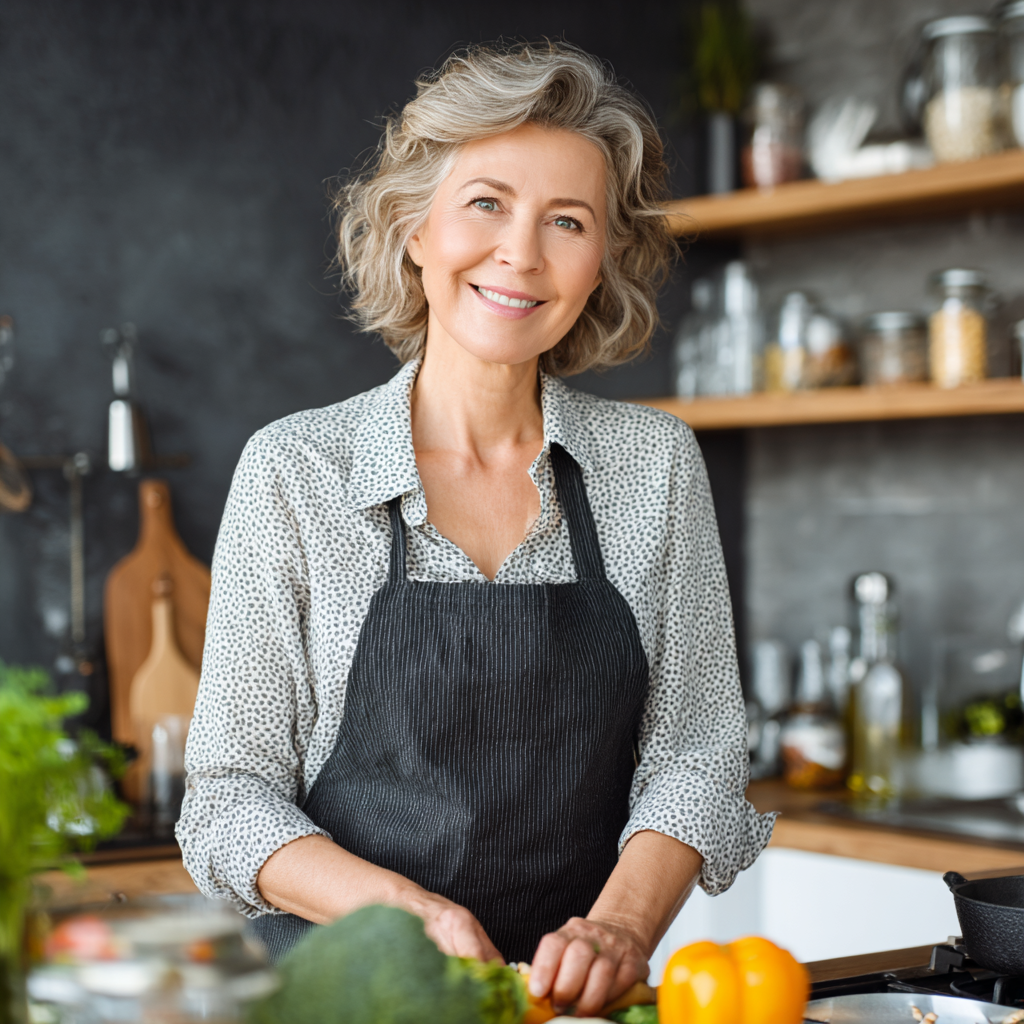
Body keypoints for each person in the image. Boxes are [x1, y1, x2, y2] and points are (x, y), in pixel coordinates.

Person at [177, 41, 774, 1017]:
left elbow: (698, 751)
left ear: (601, 260)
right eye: (486, 202)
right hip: (339, 997)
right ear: (415, 228)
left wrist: (618, 929)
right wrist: (405, 911)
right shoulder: (297, 471)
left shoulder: (653, 466)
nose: (520, 254)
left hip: (566, 1003)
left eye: (567, 221)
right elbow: (228, 799)